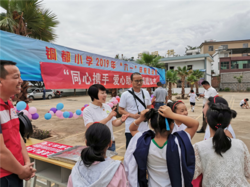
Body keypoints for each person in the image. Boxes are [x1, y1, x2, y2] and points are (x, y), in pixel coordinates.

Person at [124, 106, 199, 187]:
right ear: (172, 125)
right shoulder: (179, 142)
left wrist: (140, 119)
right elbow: (195, 124)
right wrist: (172, 115)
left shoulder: (143, 142)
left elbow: (132, 129)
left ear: (152, 126)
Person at [193, 101, 250, 186]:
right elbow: (248, 172)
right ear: (229, 123)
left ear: (206, 120)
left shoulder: (198, 147)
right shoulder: (240, 144)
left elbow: (192, 174)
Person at [0, 60, 36, 187]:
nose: (21, 81)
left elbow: (17, 134)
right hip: (3, 177)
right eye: (16, 77)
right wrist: (22, 171)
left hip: (16, 170)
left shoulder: (8, 104)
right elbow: (0, 152)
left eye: (20, 76)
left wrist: (26, 164)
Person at [83, 84, 129, 151]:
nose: (105, 95)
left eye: (105, 92)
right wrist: (108, 118)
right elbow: (91, 127)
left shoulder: (107, 107)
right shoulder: (87, 110)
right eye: (102, 93)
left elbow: (114, 122)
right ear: (94, 95)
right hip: (97, 145)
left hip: (110, 143)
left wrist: (121, 120)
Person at [119, 72, 151, 148]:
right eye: (136, 81)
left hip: (145, 128)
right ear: (131, 81)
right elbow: (120, 110)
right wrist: (133, 116)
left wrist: (147, 114)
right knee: (131, 151)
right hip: (131, 128)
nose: (139, 82)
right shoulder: (125, 94)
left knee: (145, 150)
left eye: (141, 80)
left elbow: (149, 107)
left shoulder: (146, 93)